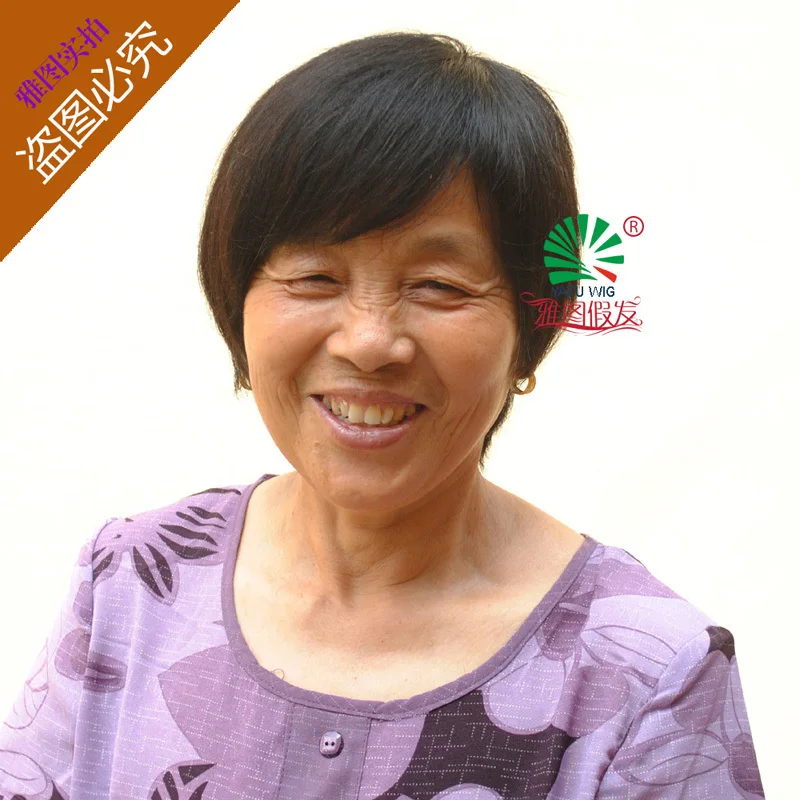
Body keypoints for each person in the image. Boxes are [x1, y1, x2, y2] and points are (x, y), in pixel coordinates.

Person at [0, 31, 764, 799]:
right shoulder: (133, 583)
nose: (369, 342)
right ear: (238, 304)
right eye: (315, 276)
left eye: (440, 285)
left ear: (531, 328)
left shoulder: (646, 672)